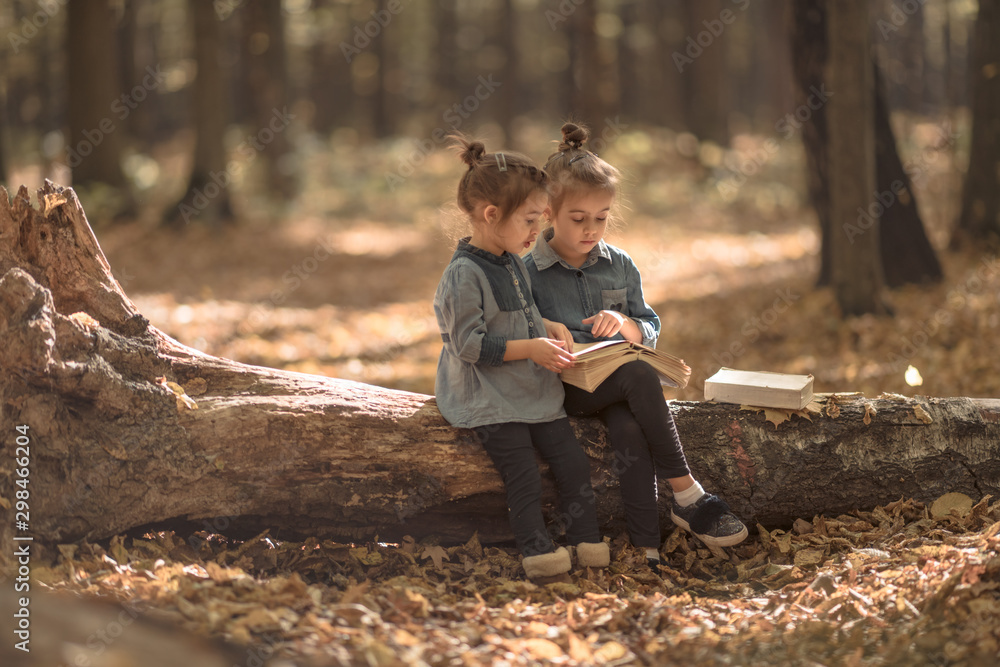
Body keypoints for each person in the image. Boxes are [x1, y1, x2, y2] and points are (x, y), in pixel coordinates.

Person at [523, 123, 748, 568]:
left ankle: (648, 550)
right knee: (639, 374)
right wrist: (543, 327)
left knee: (629, 428)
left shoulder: (620, 264)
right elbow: (517, 329)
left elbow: (649, 324)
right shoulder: (528, 271)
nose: (591, 229)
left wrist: (627, 324)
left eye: (602, 217)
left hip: (617, 387)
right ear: (549, 211)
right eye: (578, 219)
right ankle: (688, 494)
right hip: (566, 389)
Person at [433, 136, 610, 581]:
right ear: (492, 215)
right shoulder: (464, 274)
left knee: (571, 462)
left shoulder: (511, 258)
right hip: (487, 394)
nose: (538, 231)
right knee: (523, 472)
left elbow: (519, 312)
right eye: (530, 220)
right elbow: (469, 346)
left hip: (529, 386)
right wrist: (531, 348)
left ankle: (586, 539)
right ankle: (537, 550)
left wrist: (545, 325)